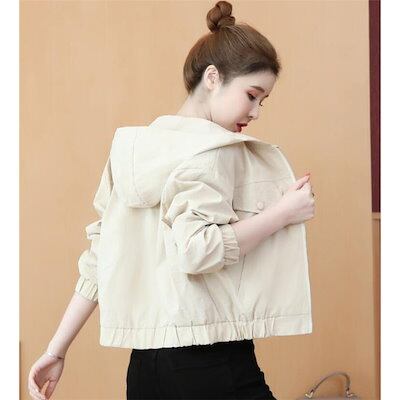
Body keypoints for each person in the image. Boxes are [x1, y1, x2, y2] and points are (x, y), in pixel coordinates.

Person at [27, 1, 315, 399]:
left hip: (145, 368)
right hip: (212, 360)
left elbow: (99, 259)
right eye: (252, 95)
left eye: (262, 101)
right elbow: (197, 251)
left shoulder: (131, 152)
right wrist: (282, 214)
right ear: (212, 77)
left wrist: (56, 349)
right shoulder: (213, 151)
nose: (256, 112)